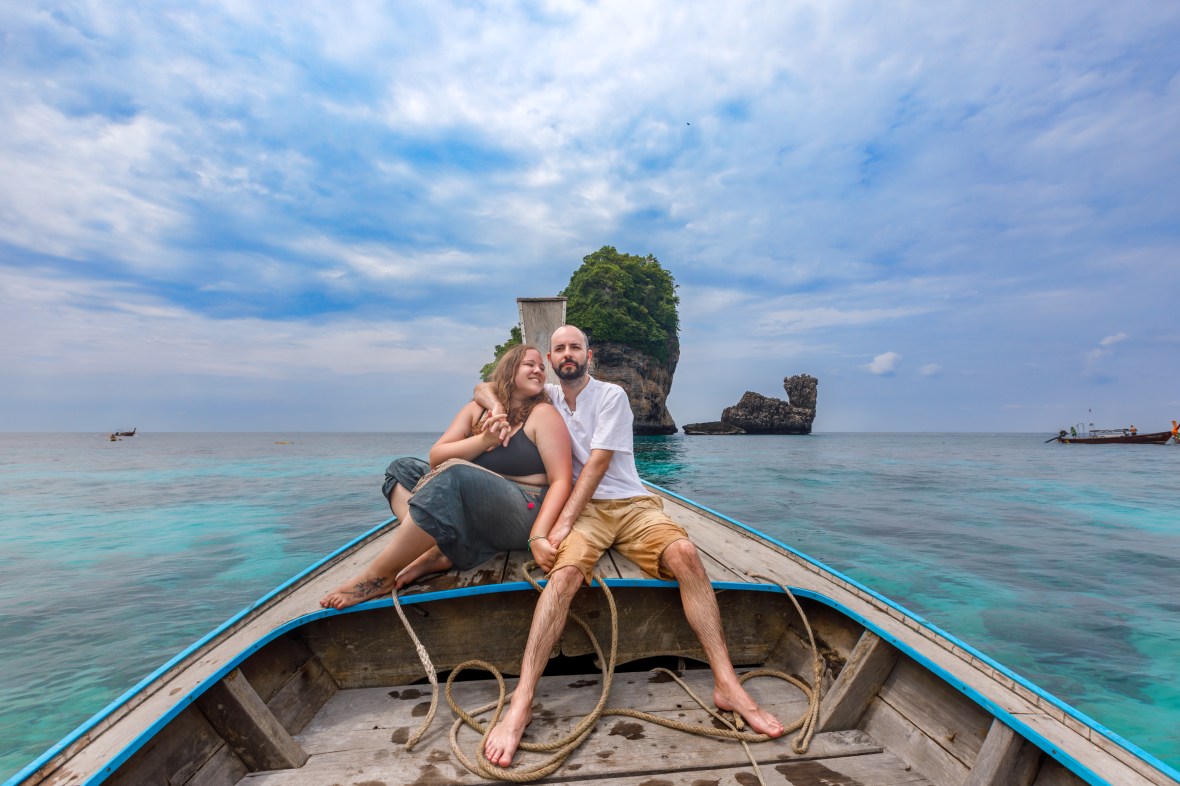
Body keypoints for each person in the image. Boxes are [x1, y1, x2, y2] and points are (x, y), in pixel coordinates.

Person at [475, 325, 785, 768]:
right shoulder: (546, 396)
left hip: (629, 503)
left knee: (686, 555)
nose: (567, 354)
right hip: (587, 514)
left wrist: (557, 526)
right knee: (561, 578)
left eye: (575, 348)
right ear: (550, 356)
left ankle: (727, 683)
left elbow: (598, 465)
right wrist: (493, 408)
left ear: (589, 354)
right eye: (559, 348)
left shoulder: (612, 396)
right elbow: (486, 384)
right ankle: (521, 703)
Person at [319, 345, 572, 609]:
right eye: (529, 364)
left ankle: (379, 576)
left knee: (454, 474)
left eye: (542, 368)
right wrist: (485, 439)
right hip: (473, 499)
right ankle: (437, 549)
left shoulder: (543, 414)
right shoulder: (478, 410)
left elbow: (561, 480)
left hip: (523, 509)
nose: (538, 371)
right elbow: (436, 457)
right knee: (401, 469)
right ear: (510, 370)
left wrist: (538, 535)